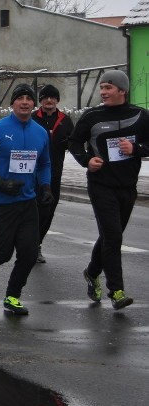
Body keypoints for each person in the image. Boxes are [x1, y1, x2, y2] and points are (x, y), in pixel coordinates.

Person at [0, 83, 52, 315]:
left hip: (27, 204)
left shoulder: (40, 132)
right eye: (20, 98)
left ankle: (12, 296)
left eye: (29, 98)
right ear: (12, 103)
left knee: (29, 253)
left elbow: (44, 163)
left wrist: (45, 186)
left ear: (33, 104)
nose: (25, 102)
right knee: (0, 254)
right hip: (0, 204)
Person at [69, 70, 149, 310]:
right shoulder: (92, 116)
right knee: (114, 236)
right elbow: (74, 142)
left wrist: (135, 148)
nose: (103, 92)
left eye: (108, 88)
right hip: (101, 184)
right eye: (102, 87)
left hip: (127, 186)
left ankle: (92, 272)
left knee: (109, 237)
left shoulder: (140, 115)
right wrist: (86, 161)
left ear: (122, 90)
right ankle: (116, 291)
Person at [32, 84, 74, 263]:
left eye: (52, 98)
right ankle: (30, 246)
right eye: (45, 97)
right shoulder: (32, 118)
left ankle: (37, 244)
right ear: (41, 101)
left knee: (48, 211)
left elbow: (74, 143)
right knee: (33, 211)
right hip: (32, 174)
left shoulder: (65, 120)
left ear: (57, 100)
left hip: (55, 174)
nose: (49, 101)